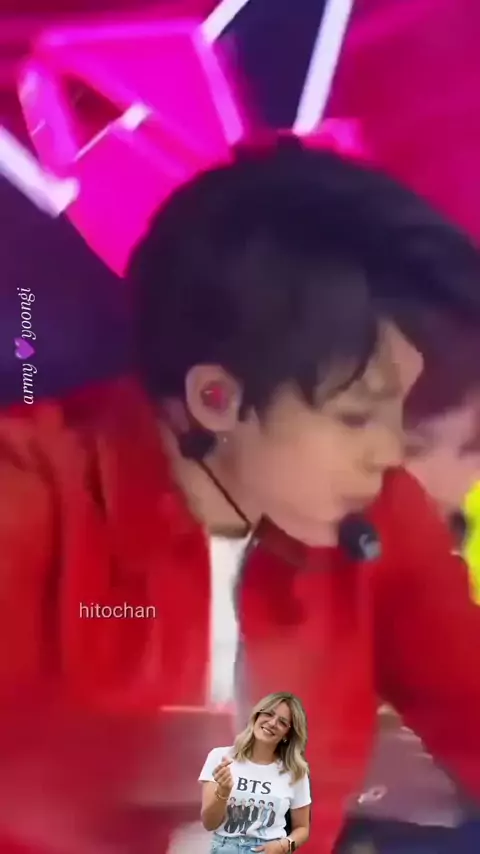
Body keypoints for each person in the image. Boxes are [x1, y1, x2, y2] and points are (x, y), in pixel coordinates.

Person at [3, 136, 480, 854]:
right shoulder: (30, 497)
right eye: (357, 417)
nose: (389, 454)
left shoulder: (372, 512)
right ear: (217, 399)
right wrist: (132, 763)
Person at [199, 692, 311, 853]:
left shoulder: (295, 772)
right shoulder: (220, 757)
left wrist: (283, 846)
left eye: (282, 722)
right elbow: (209, 824)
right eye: (268, 714)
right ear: (257, 716)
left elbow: (302, 829)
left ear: (287, 734)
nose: (272, 723)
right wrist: (223, 792)